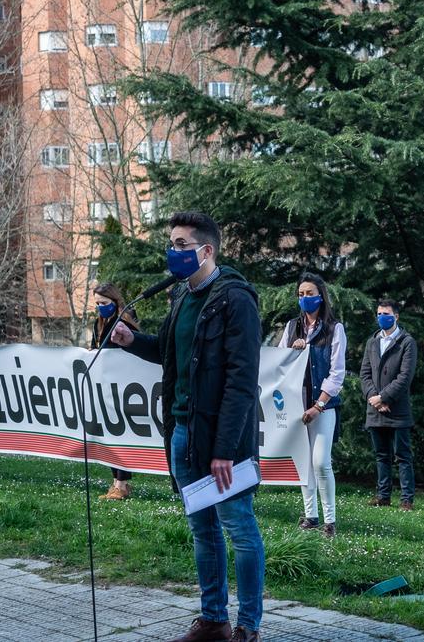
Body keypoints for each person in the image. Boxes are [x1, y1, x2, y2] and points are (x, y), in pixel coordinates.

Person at [110, 211, 264, 642]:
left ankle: (248, 626)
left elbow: (241, 380)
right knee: (202, 529)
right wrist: (132, 341)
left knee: (239, 528)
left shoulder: (235, 299)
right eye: (171, 243)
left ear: (206, 250)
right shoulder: (180, 296)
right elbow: (172, 354)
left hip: (221, 441)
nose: (172, 251)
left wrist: (225, 448)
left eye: (180, 245)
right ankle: (213, 618)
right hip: (182, 434)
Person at [278, 272, 346, 538]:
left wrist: (319, 405)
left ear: (321, 296)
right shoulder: (291, 327)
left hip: (323, 405)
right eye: (301, 294)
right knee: (303, 462)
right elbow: (280, 362)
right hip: (297, 402)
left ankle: (330, 520)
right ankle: (311, 516)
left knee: (320, 462)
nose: (305, 298)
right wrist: (292, 351)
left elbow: (337, 372)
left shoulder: (333, 328)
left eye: (310, 294)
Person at [359, 298, 418, 511]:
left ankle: (406, 499)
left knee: (402, 455)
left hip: (397, 409)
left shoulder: (406, 342)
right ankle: (383, 495)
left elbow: (405, 377)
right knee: (381, 455)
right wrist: (374, 398)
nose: (382, 317)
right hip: (375, 409)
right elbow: (364, 374)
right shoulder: (372, 341)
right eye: (379, 314)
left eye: (386, 314)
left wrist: (384, 397)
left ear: (396, 316)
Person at [91, 283, 139, 501]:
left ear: (115, 301)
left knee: (119, 434)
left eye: (104, 303)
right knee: (110, 434)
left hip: (125, 387)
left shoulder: (125, 322)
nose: (101, 307)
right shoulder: (99, 323)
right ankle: (117, 483)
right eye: (98, 304)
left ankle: (121, 484)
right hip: (106, 385)